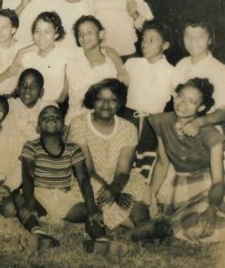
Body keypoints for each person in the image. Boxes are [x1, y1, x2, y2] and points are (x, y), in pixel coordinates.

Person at [135, 78, 225, 243]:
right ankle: (170, 227)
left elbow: (219, 181)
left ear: (202, 107)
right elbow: (163, 162)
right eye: (180, 96)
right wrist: (151, 196)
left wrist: (211, 209)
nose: (182, 104)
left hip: (211, 186)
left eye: (191, 101)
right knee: (195, 229)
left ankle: (168, 228)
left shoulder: (211, 134)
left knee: (204, 223)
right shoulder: (162, 121)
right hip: (181, 186)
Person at [18, 105, 111, 251]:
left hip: (64, 197)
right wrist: (30, 204)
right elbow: (28, 177)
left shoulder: (73, 148)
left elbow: (83, 179)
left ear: (64, 128)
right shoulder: (31, 146)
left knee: (92, 211)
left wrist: (92, 207)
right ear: (38, 128)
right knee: (20, 200)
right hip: (39, 196)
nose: (51, 118)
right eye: (45, 117)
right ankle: (38, 234)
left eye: (56, 117)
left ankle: (101, 241)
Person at [68, 79, 149, 231]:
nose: (105, 104)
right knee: (105, 200)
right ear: (93, 101)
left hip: (118, 179)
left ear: (119, 104)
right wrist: (114, 194)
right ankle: (137, 231)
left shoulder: (129, 128)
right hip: (88, 180)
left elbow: (123, 171)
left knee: (137, 200)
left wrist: (116, 188)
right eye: (100, 99)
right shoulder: (78, 124)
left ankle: (143, 226)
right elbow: (87, 171)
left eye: (112, 100)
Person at [122, 21, 175, 178]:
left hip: (152, 125)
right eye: (144, 39)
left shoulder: (172, 71)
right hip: (127, 119)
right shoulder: (132, 63)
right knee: (124, 161)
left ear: (165, 45)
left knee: (144, 166)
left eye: (152, 40)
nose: (145, 44)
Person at [0, 12, 70, 105]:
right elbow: (14, 82)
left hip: (53, 106)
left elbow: (63, 96)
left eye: (47, 32)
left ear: (56, 33)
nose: (41, 36)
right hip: (27, 104)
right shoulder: (28, 56)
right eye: (37, 31)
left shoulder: (65, 54)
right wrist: (21, 52)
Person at [65, 16, 122, 124]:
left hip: (102, 124)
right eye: (80, 34)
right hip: (73, 122)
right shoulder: (72, 58)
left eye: (89, 32)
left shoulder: (111, 65)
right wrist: (21, 53)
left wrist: (121, 68)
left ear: (101, 34)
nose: (84, 37)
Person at [172, 21, 225, 135]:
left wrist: (198, 123)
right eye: (188, 36)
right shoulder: (182, 64)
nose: (193, 41)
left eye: (200, 37)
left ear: (210, 40)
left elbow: (223, 111)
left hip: (206, 129)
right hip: (178, 125)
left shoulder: (220, 70)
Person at [5, 69, 55, 146]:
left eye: (33, 86)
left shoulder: (48, 107)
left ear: (41, 92)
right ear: (17, 89)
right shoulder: (10, 105)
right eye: (23, 85)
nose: (27, 89)